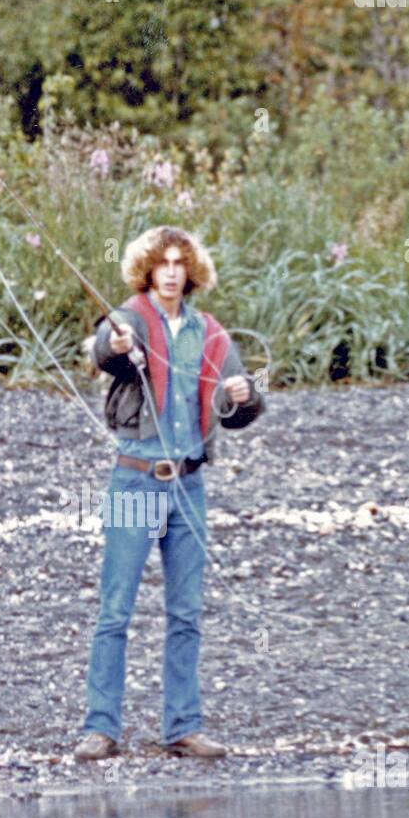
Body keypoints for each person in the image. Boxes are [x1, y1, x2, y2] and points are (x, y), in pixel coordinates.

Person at [74, 225, 263, 762]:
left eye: (182, 263)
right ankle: (100, 728)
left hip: (189, 484)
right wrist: (114, 347)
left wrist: (245, 396)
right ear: (149, 271)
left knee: (186, 613)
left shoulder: (211, 334)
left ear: (192, 271)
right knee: (116, 610)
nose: (173, 271)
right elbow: (103, 352)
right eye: (164, 263)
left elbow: (244, 412)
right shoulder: (129, 319)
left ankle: (183, 726)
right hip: (134, 478)